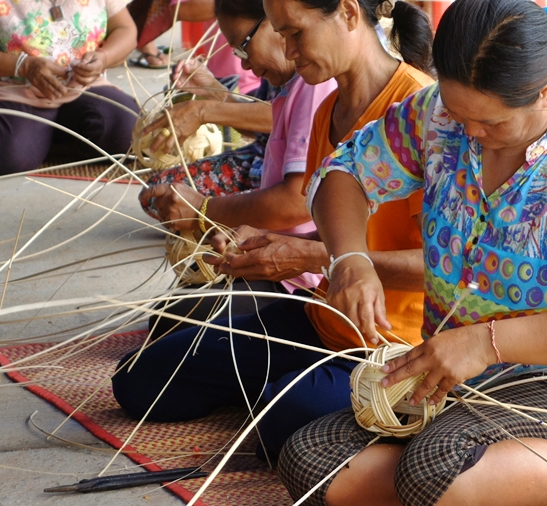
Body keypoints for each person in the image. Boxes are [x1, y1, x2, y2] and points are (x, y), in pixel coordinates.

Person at [280, 1, 547, 505]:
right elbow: (344, 173)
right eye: (458, 113)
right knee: (311, 457)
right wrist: (349, 259)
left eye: (491, 122)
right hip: (458, 379)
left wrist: (486, 343)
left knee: (437, 467)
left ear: (543, 92)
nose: (469, 133)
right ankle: (489, 488)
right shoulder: (439, 115)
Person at [112, 0, 434, 461]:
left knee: (282, 422)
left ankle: (356, 405)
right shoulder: (330, 110)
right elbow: (339, 241)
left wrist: (308, 257)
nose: (288, 51)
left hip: (395, 346)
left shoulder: (423, 114)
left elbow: (450, 270)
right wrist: (273, 246)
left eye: (296, 34)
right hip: (325, 321)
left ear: (346, 13)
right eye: (280, 34)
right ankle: (293, 390)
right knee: (141, 383)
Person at [135, 0, 336, 331]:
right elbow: (268, 121)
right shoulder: (296, 78)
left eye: (244, 47)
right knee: (170, 318)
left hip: (305, 281)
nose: (247, 67)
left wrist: (203, 209)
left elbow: (295, 204)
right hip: (289, 260)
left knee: (169, 328)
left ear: (277, 22)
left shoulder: (314, 83)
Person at [0, 0, 141, 176]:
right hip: (14, 90)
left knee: (129, 138)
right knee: (3, 157)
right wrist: (23, 66)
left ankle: (40, 140)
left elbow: (126, 29)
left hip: (84, 87)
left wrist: (104, 58)